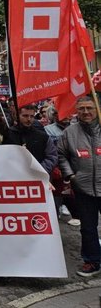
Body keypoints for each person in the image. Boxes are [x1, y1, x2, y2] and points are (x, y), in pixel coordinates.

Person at [58, 96, 101, 277]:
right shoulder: (70, 132)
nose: (86, 112)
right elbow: (61, 155)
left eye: (89, 108)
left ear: (96, 109)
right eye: (82, 108)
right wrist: (71, 175)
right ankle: (92, 261)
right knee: (88, 227)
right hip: (83, 188)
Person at [6, 104, 57, 175]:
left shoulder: (42, 136)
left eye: (32, 116)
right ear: (17, 116)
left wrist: (40, 170)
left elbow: (52, 156)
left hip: (38, 177)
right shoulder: (7, 135)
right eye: (25, 116)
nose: (29, 119)